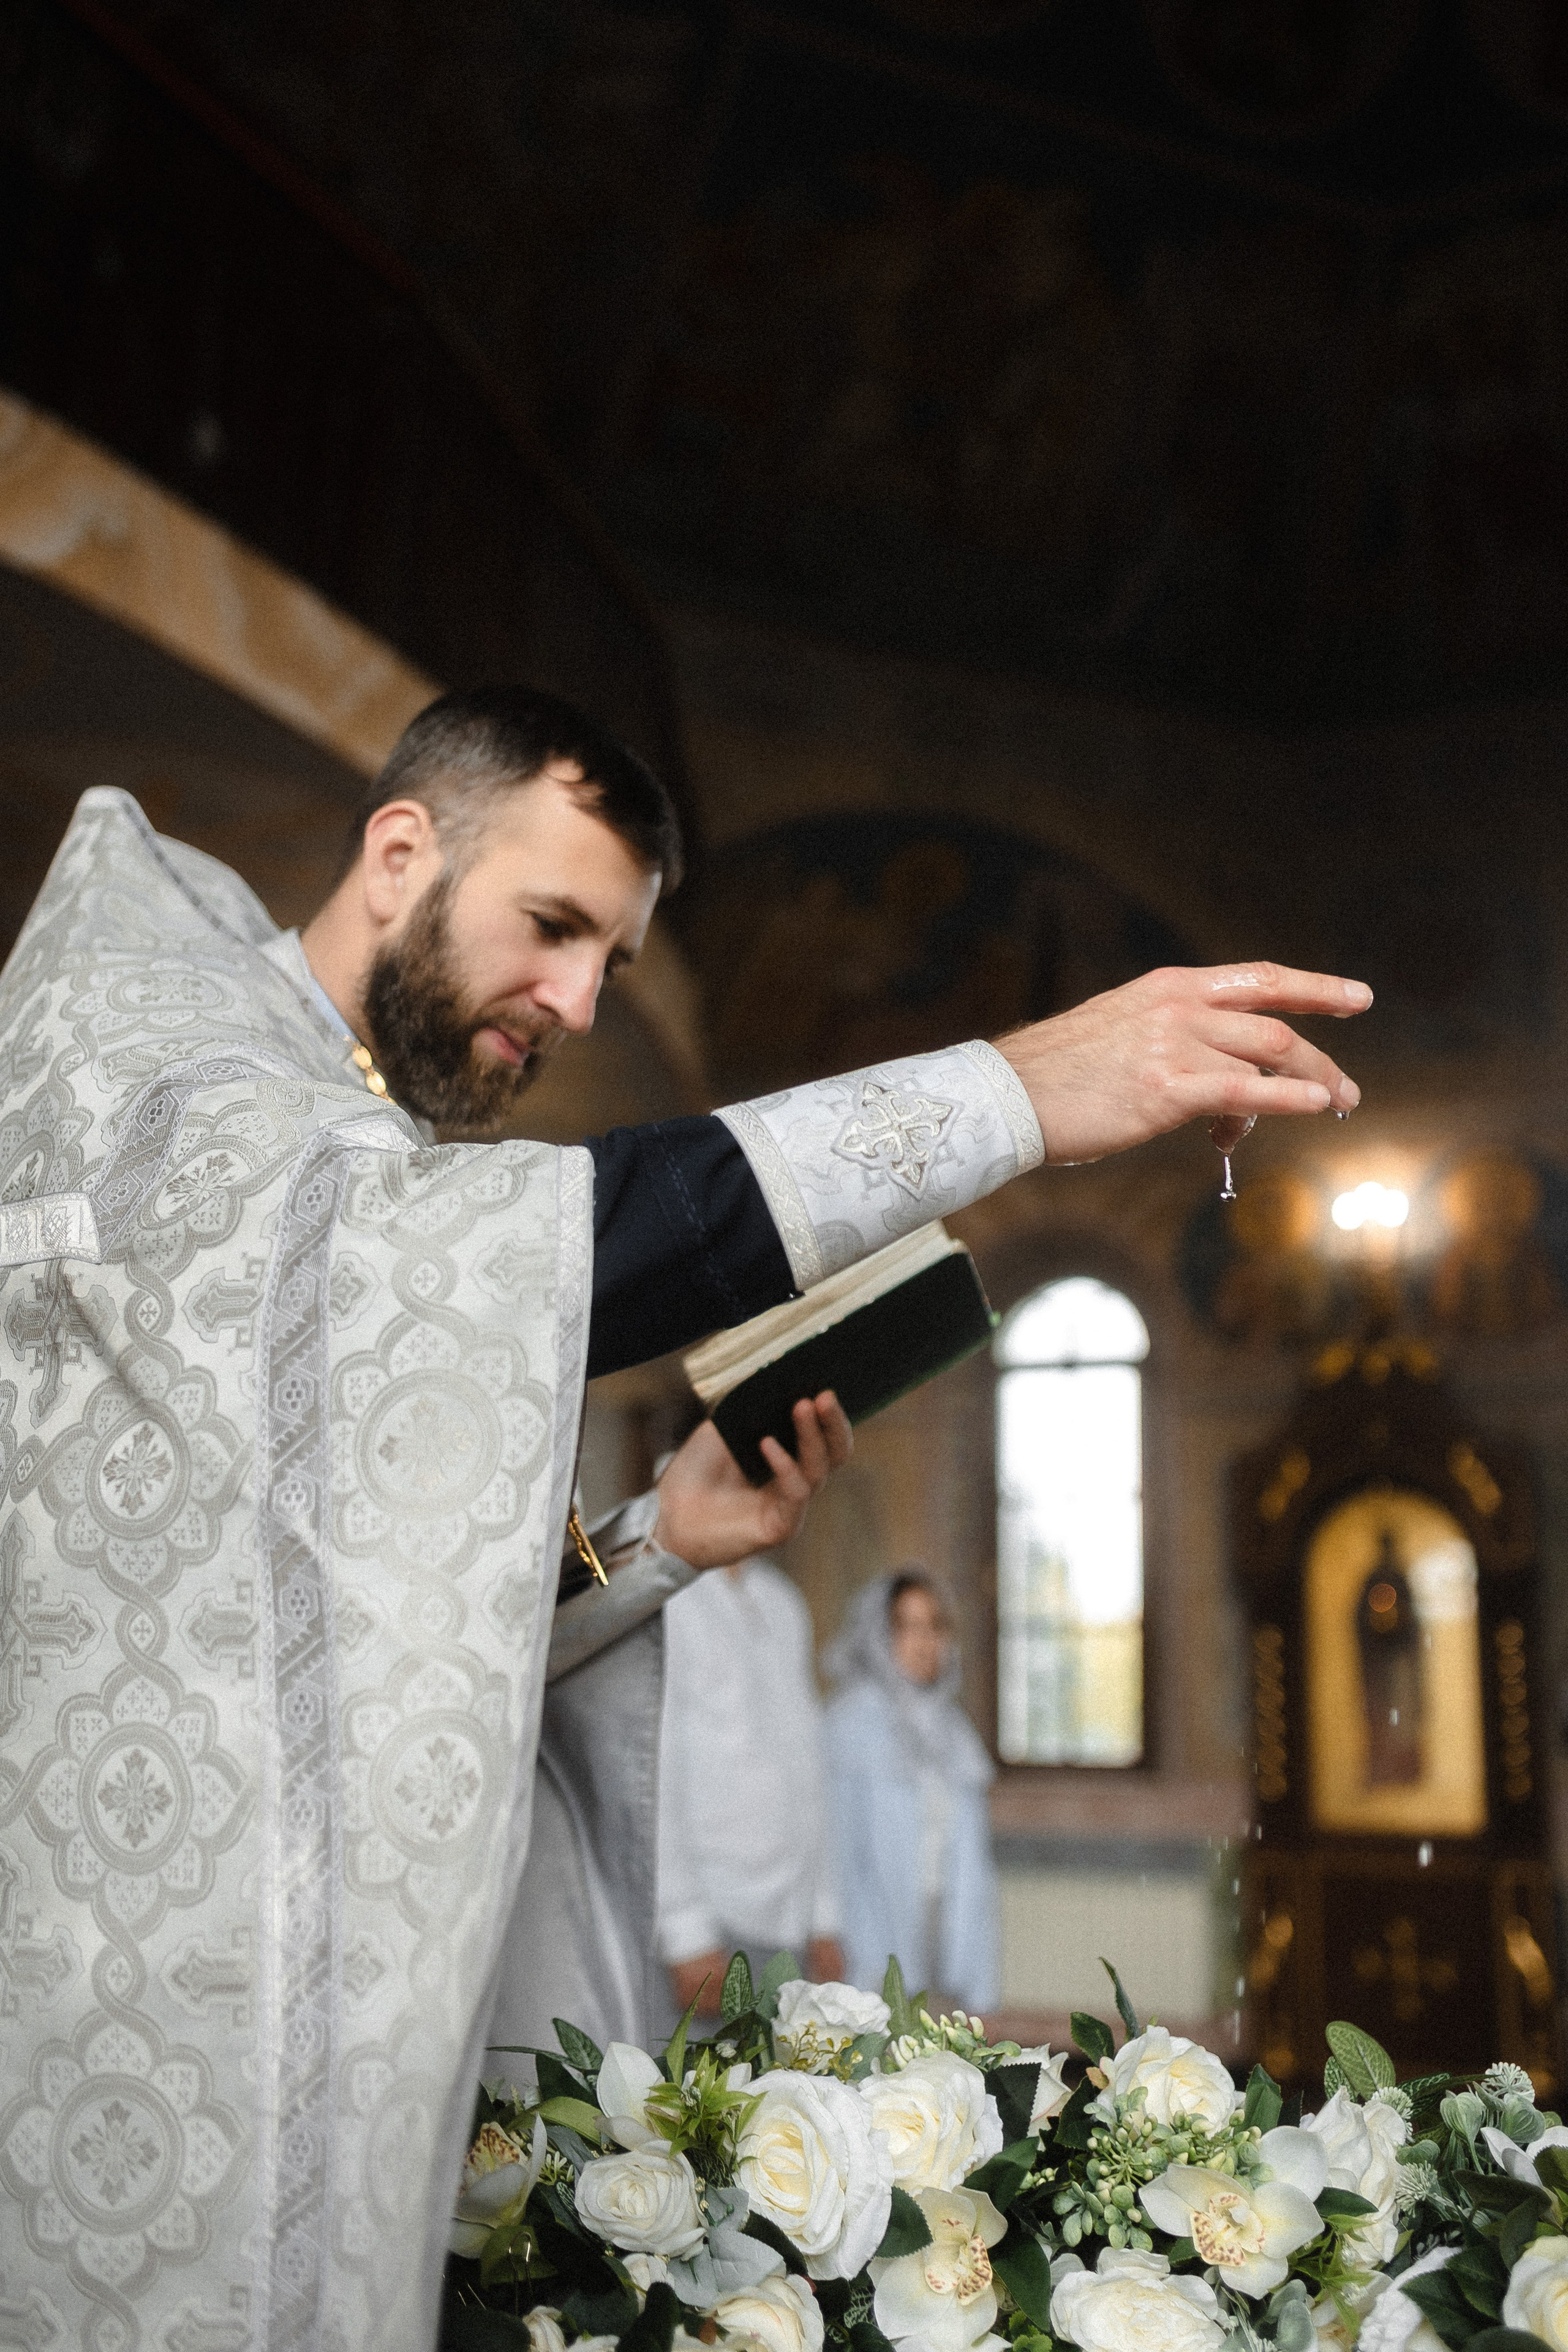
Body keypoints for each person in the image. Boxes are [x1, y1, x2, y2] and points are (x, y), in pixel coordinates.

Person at [0, 682, 1368, 2352]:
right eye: (553, 925)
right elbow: (555, 1241)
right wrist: (1016, 1092)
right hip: (142, 2030)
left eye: (615, 964)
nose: (575, 1002)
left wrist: (656, 1540)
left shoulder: (336, 1142)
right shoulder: (178, 1063)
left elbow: (329, 1662)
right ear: (400, 849)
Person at [655, 1548, 843, 2024]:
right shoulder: (667, 1598)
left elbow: (806, 1767)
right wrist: (686, 1931)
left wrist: (823, 1915)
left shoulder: (781, 1601)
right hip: (709, 1924)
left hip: (789, 1919)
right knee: (695, 2093)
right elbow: (655, 1769)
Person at [825, 1570, 999, 2013]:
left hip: (943, 1945)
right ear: (880, 1635)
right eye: (908, 1627)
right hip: (866, 1956)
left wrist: (982, 1987)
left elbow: (975, 1877)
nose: (925, 1642)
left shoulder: (954, 1733)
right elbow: (836, 1856)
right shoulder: (849, 1725)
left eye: (935, 1626)